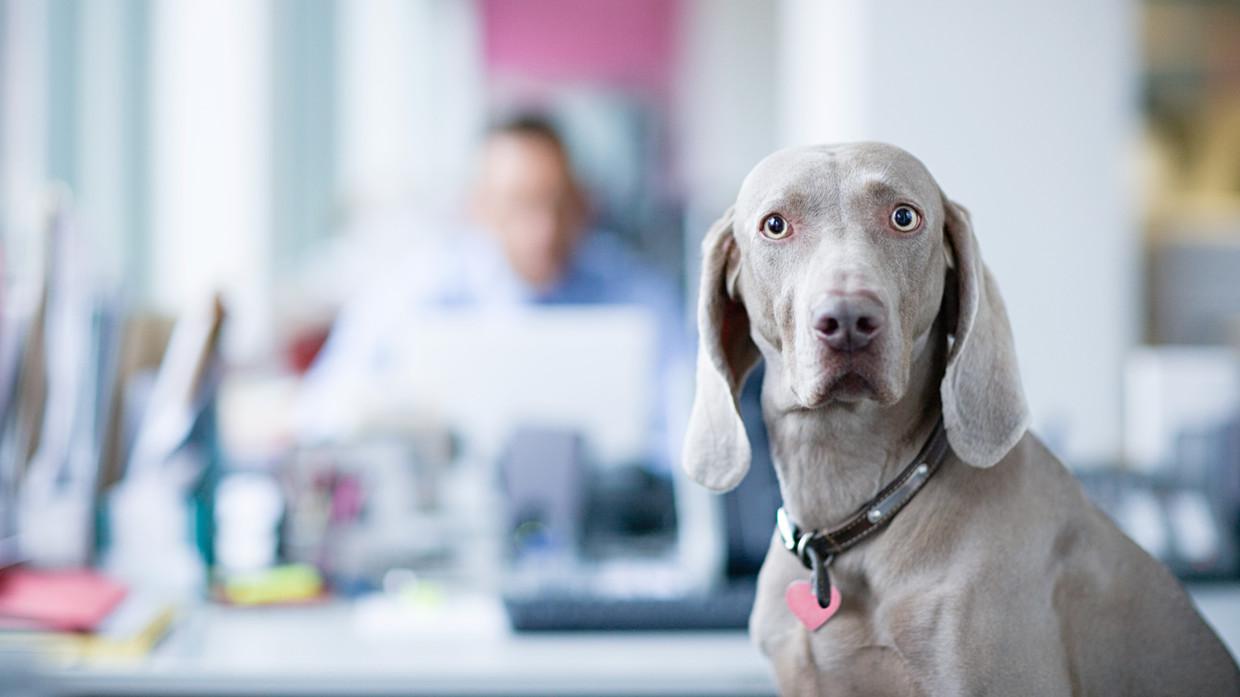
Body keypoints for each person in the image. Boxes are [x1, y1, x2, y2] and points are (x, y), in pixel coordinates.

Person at [299, 114, 686, 469]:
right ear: (477, 206)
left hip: (617, 524)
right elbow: (323, 409)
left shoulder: (636, 292)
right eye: (519, 204)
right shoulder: (419, 291)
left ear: (583, 202)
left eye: (558, 203)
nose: (544, 229)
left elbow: (691, 423)